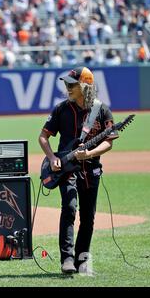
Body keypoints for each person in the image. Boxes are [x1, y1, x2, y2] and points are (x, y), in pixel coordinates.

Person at [38, 67, 119, 274]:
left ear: (85, 86)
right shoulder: (61, 109)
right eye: (66, 84)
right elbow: (43, 137)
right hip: (66, 170)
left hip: (91, 171)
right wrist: (52, 157)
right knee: (69, 209)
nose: (67, 88)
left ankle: (82, 260)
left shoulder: (102, 110)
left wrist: (90, 154)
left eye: (72, 85)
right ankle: (67, 259)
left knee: (88, 217)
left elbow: (109, 143)